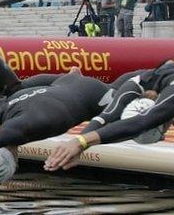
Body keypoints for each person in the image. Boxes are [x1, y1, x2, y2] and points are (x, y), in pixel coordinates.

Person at [45, 60, 174, 171]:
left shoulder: (164, 102)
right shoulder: (136, 85)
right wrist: (79, 145)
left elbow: (141, 123)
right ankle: (73, 77)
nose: (163, 136)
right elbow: (106, 117)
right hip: (137, 80)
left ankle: (74, 77)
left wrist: (80, 142)